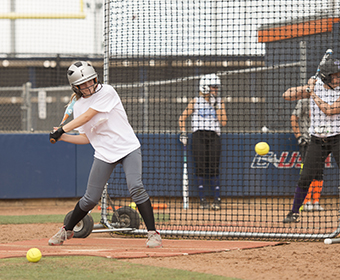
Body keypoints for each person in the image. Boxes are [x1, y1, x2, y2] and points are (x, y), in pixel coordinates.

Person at [48, 61, 162, 247]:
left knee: (136, 187)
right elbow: (86, 137)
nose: (88, 86)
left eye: (90, 81)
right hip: (104, 153)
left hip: (127, 148)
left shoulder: (107, 92)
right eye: (82, 84)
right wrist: (63, 137)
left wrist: (62, 128)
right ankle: (65, 230)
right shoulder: (77, 107)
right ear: (75, 87)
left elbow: (88, 116)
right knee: (90, 198)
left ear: (95, 78)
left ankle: (153, 234)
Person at [282, 57, 340, 223]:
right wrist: (308, 88)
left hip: (337, 138)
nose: (339, 77)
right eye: (336, 75)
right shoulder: (315, 87)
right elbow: (286, 95)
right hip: (317, 140)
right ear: (327, 76)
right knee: (305, 176)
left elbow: (329, 110)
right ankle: (294, 212)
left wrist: (312, 93)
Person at [178, 73, 227, 210]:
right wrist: (183, 133)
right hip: (198, 136)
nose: (216, 90)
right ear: (205, 87)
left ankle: (217, 199)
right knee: (200, 167)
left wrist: (216, 105)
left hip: (214, 136)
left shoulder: (219, 101)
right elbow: (182, 118)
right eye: (213, 87)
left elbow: (223, 122)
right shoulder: (195, 101)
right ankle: (202, 200)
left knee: (213, 167)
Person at [291, 99, 324, 211]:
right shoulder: (303, 102)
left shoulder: (325, 99)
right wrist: (299, 136)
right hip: (307, 141)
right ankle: (306, 202)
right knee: (307, 171)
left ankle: (316, 201)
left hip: (322, 140)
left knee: (319, 171)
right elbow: (293, 118)